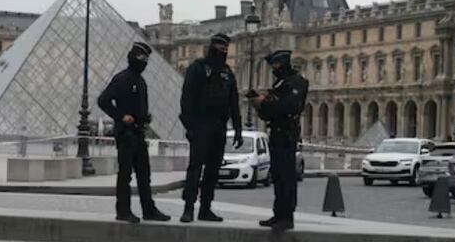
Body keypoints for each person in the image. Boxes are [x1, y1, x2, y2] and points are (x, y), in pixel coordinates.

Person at [97, 41, 171, 223]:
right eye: (141, 57)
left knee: (144, 174)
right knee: (125, 174)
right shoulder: (122, 78)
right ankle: (123, 211)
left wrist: (145, 117)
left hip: (138, 132)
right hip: (126, 133)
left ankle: (149, 210)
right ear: (133, 56)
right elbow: (103, 100)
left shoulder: (141, 81)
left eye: (146, 58)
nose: (144, 61)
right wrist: (121, 116)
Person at [178, 33, 242, 223]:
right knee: (195, 168)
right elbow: (186, 98)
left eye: (225, 48)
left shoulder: (228, 72)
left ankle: (205, 208)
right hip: (200, 123)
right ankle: (188, 208)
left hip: (219, 125)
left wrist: (237, 128)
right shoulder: (197, 68)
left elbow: (234, 102)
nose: (223, 50)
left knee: (213, 170)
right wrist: (189, 126)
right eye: (220, 47)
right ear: (212, 47)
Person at [252, 50, 309, 231]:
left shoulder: (297, 82)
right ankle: (278, 214)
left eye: (275, 65)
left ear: (283, 63)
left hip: (287, 134)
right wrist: (260, 106)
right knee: (277, 175)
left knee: (286, 177)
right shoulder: (280, 83)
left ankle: (287, 217)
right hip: (276, 132)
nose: (273, 69)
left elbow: (289, 107)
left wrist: (265, 104)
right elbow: (270, 112)